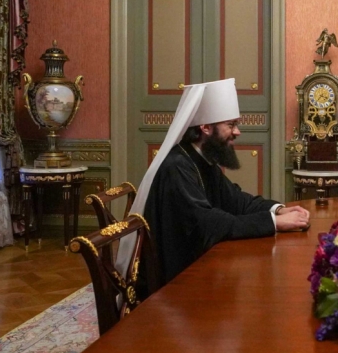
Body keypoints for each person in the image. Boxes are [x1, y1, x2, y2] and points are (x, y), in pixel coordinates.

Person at [120, 78, 310, 285]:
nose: (237, 132)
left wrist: (278, 210)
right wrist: (274, 223)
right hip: (177, 280)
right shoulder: (177, 166)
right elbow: (207, 225)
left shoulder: (201, 159)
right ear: (206, 128)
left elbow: (236, 201)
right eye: (231, 125)